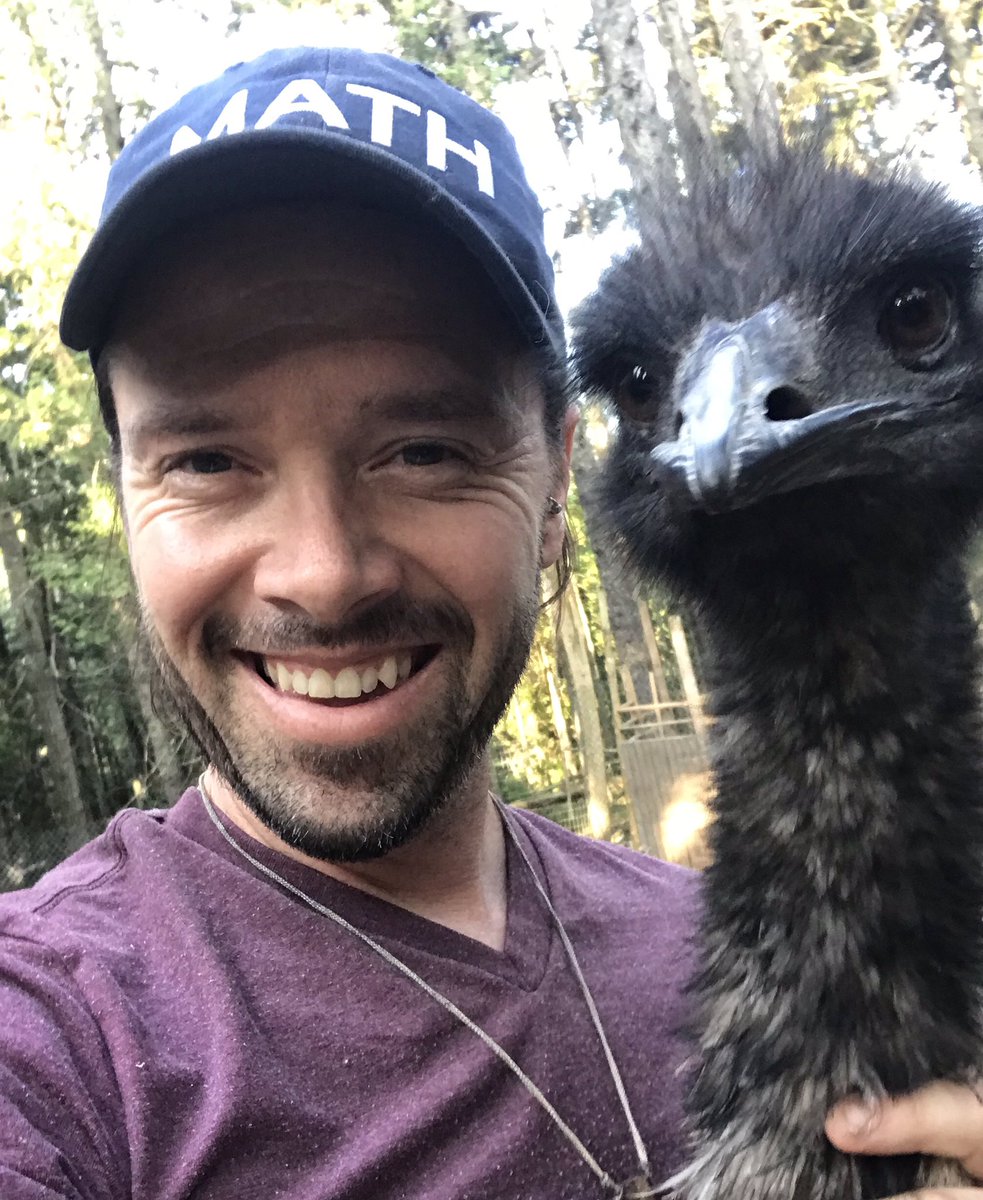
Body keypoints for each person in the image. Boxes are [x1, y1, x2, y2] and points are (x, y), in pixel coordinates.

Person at [0, 43, 979, 1200]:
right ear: (126, 494)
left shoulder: (694, 930)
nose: (322, 576)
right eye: (207, 462)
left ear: (556, 483)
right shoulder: (56, 1038)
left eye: (425, 450)